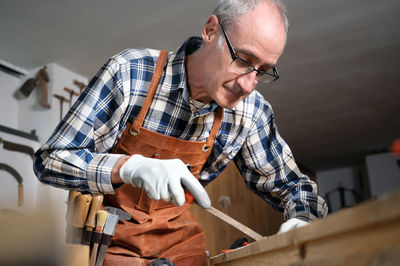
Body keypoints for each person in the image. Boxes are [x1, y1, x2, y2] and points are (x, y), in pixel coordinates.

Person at [33, 0, 327, 265]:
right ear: (211, 30)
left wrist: (303, 218)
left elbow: (295, 187)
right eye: (243, 60)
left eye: (262, 71)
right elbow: (50, 161)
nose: (249, 85)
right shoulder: (130, 73)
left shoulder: (250, 112)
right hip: (103, 243)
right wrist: (128, 166)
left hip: (178, 247)